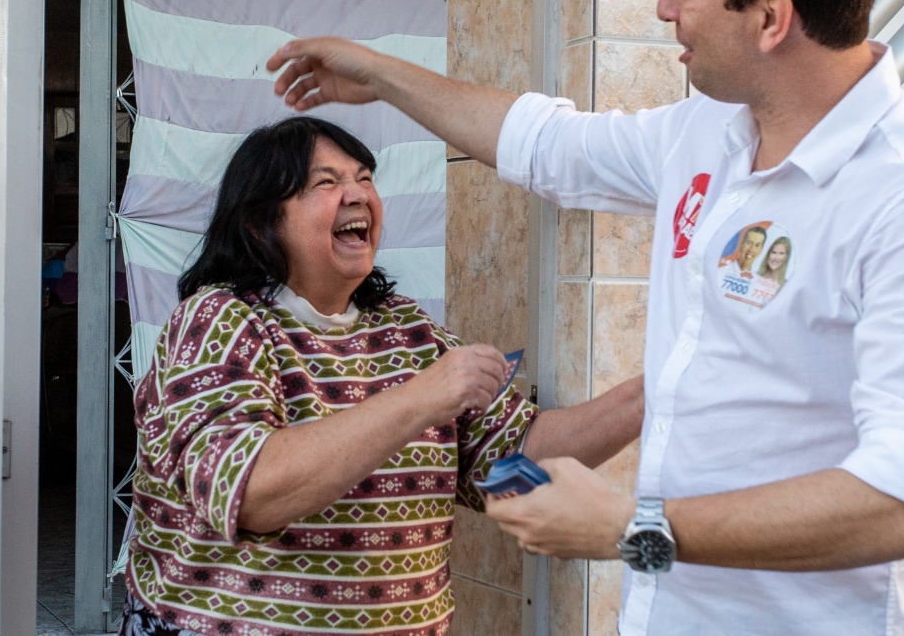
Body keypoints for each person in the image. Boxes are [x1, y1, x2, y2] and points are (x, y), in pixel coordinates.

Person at [265, 0, 904, 635]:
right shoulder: (710, 133)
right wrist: (383, 75)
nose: (663, 6)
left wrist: (636, 524)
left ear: (770, 17)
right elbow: (547, 145)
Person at [120, 116, 643, 635]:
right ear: (261, 222)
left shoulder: (409, 329)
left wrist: (655, 394)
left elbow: (515, 454)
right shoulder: (220, 321)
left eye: (365, 178)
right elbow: (250, 493)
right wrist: (423, 397)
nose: (357, 195)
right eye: (326, 182)